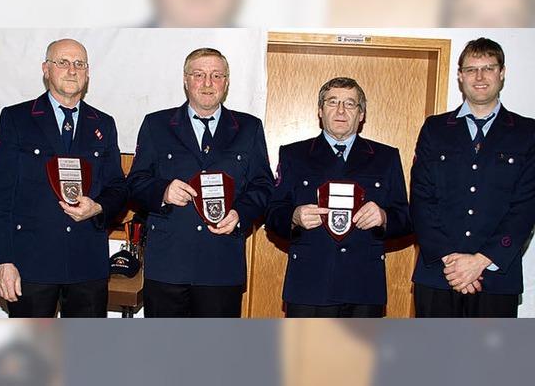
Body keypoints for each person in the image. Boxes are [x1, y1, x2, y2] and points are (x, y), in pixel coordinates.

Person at [127, 47, 273, 317]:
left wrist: (241, 214)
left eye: (217, 75)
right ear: (185, 79)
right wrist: (163, 191)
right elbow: (135, 183)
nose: (208, 83)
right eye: (199, 74)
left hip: (221, 265)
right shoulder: (156, 125)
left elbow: (263, 186)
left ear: (226, 82)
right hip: (168, 265)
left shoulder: (249, 128)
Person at [0, 38, 127, 318]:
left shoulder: (103, 123)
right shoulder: (17, 118)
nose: (72, 70)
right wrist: (3, 260)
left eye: (79, 64)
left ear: (88, 73)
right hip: (31, 265)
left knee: (86, 357)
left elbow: (118, 188)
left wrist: (98, 207)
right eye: (62, 62)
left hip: (87, 265)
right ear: (46, 69)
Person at [265, 77, 412, 318]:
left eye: (350, 104)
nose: (341, 110)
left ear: (361, 114)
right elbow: (272, 214)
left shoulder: (386, 157)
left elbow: (406, 218)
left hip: (364, 286)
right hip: (310, 285)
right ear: (320, 111)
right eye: (332, 102)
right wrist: (294, 216)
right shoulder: (294, 154)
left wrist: (384, 217)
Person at [411, 37, 535, 317]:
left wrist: (480, 261)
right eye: (471, 69)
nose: (479, 77)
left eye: (488, 68)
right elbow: (421, 199)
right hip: (438, 274)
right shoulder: (435, 129)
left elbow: (526, 208)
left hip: (497, 276)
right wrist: (453, 263)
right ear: (460, 75)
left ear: (501, 73)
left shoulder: (527, 133)